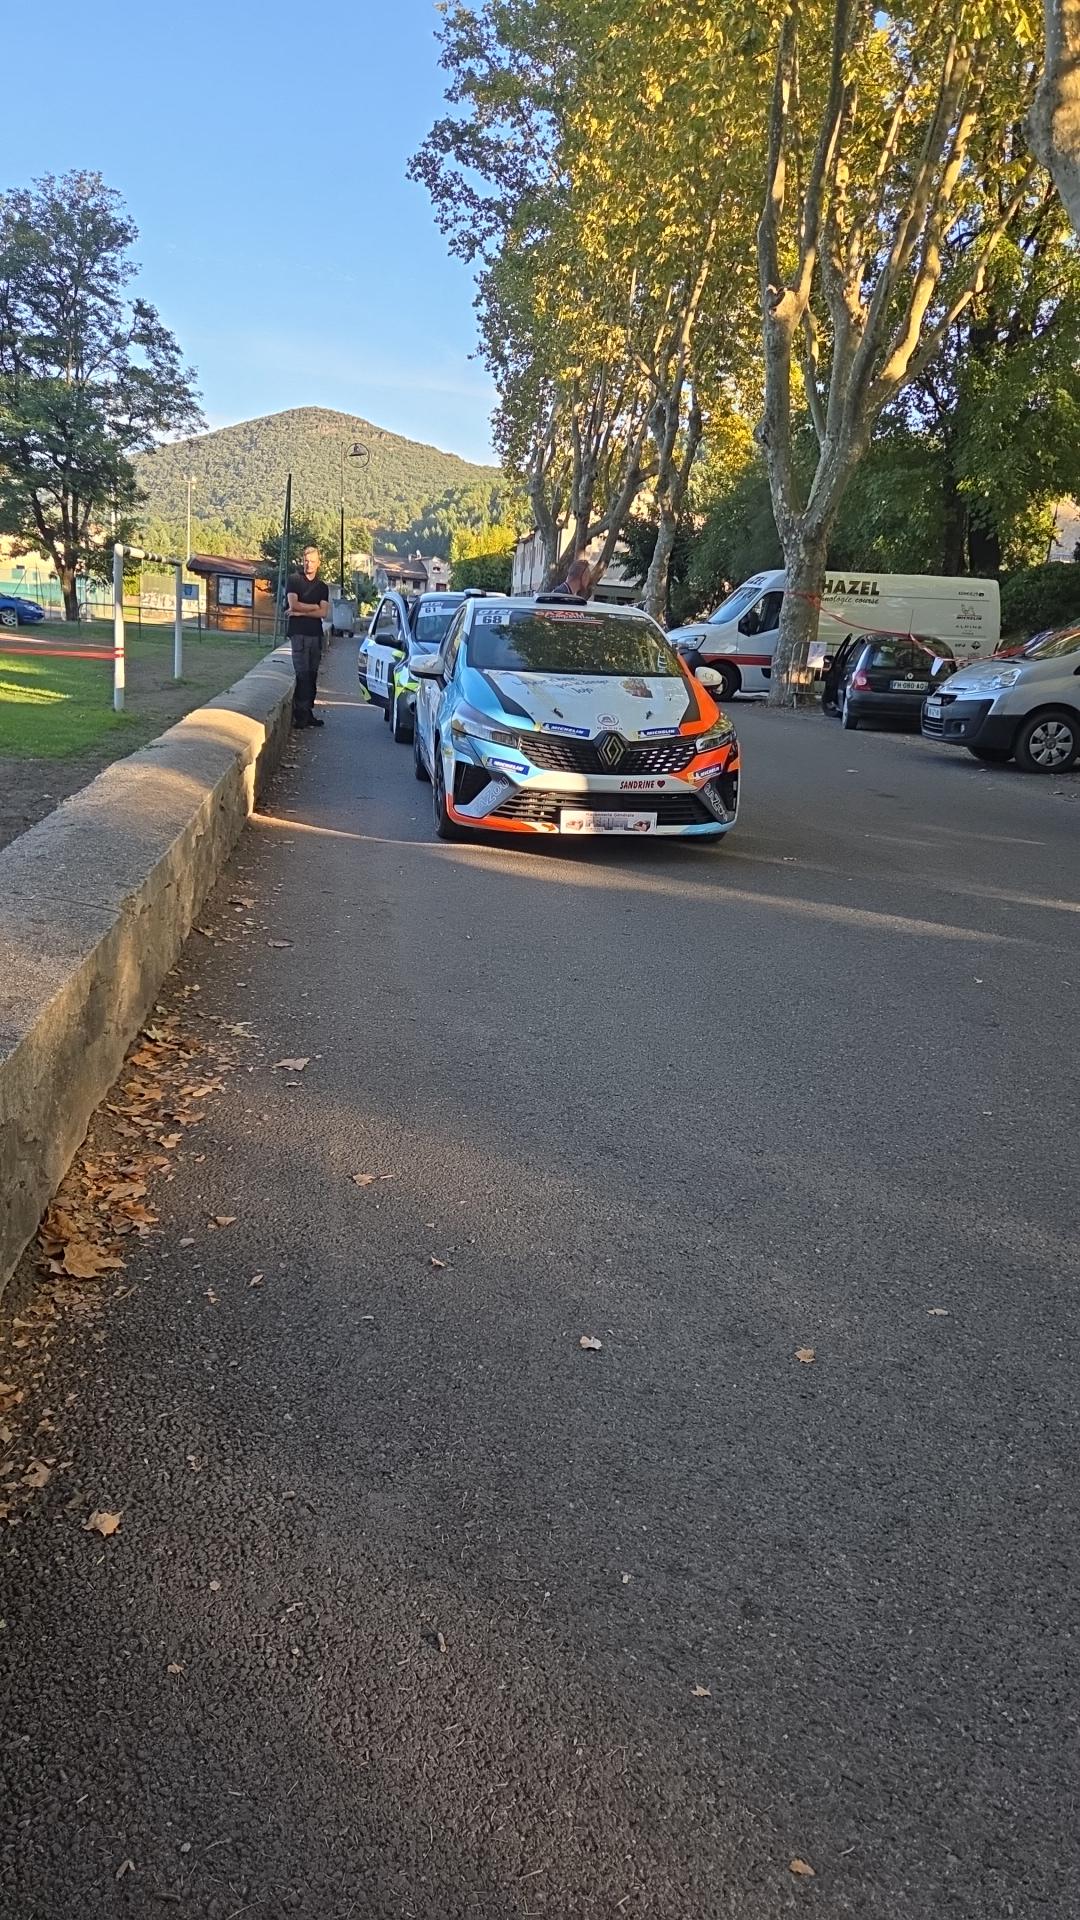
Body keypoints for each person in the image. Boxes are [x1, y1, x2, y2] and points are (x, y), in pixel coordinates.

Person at [287, 546, 330, 728]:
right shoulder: (294, 580)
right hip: (299, 635)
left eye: (312, 561)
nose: (308, 564)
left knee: (312, 675)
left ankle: (308, 711)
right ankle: (301, 715)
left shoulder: (322, 587)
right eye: (306, 560)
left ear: (318, 563)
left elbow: (324, 613)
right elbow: (292, 604)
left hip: (316, 635)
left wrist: (301, 611)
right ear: (301, 560)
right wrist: (313, 607)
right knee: (302, 674)